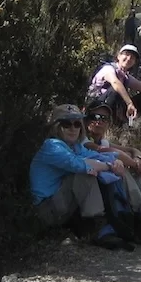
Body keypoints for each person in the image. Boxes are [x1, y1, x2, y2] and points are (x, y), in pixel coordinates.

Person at [29, 104, 128, 248]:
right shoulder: (52, 146)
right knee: (84, 175)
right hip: (46, 209)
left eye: (76, 124)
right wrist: (108, 166)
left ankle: (127, 214)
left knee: (102, 171)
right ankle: (96, 226)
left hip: (62, 204)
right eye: (66, 124)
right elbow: (77, 165)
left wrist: (115, 160)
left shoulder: (75, 146)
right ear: (57, 127)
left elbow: (94, 155)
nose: (73, 129)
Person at [83, 102, 141, 231]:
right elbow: (109, 152)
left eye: (104, 118)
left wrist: (137, 159)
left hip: (104, 179)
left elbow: (132, 150)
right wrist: (133, 163)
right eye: (95, 117)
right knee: (123, 168)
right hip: (92, 183)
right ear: (86, 120)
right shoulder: (84, 142)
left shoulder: (103, 141)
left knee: (130, 166)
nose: (99, 122)